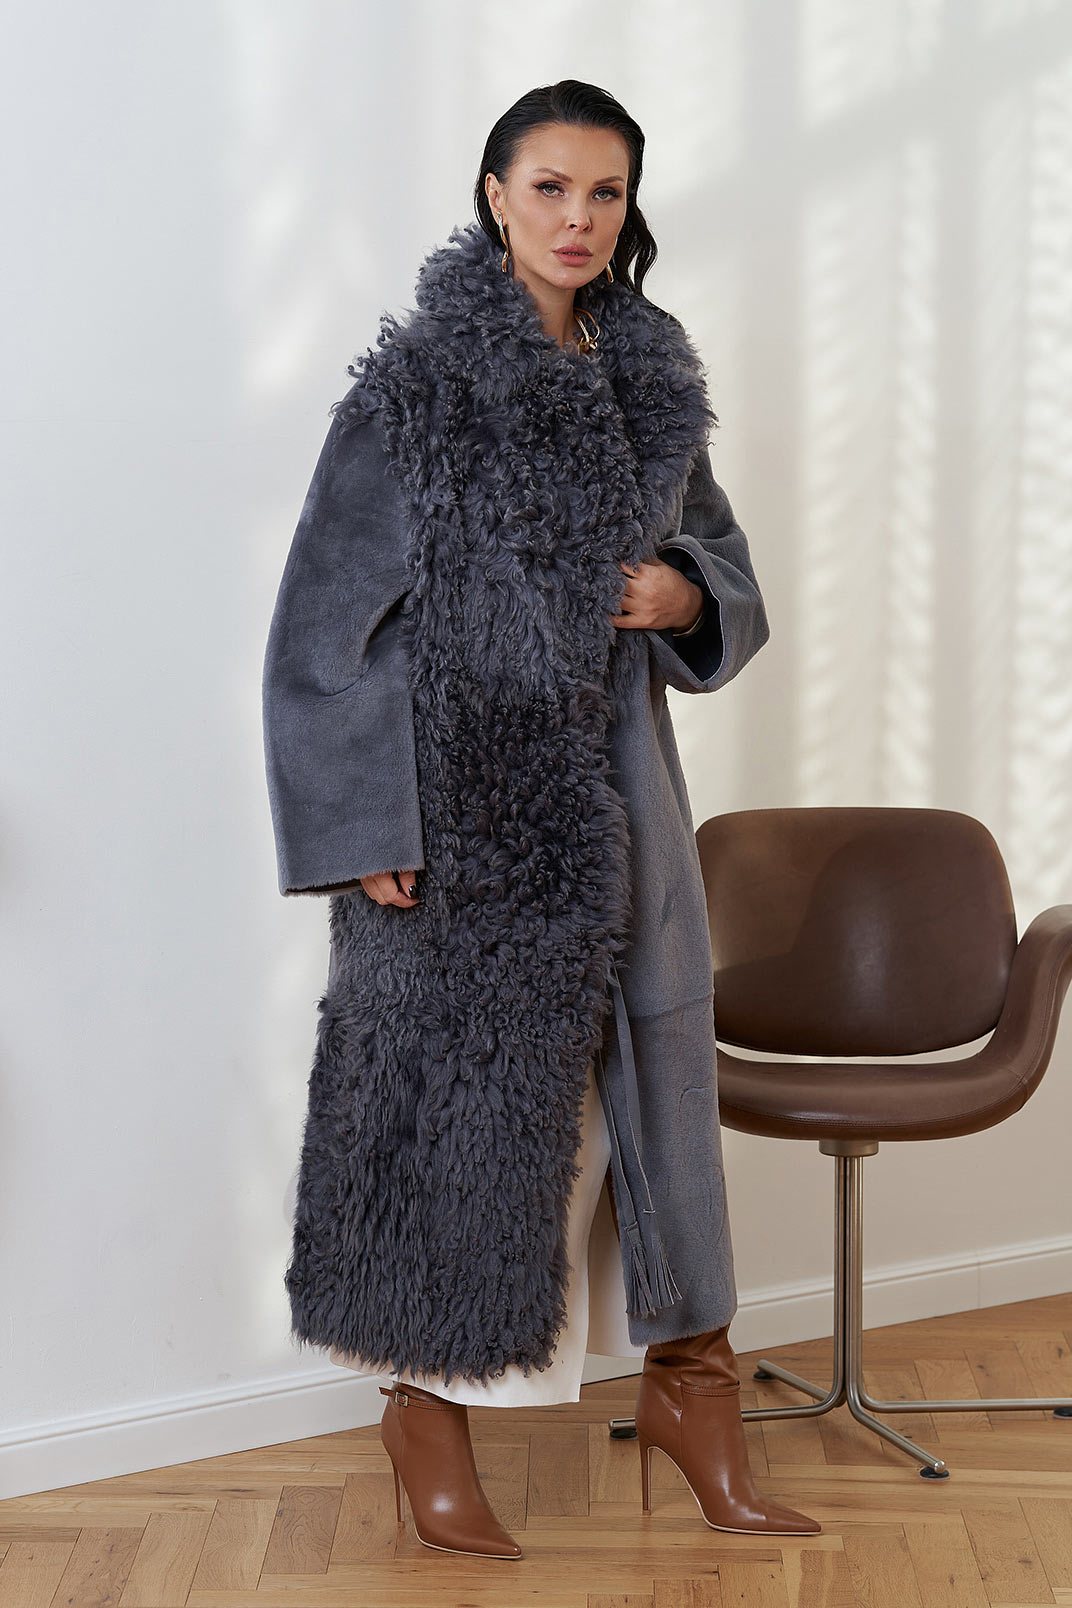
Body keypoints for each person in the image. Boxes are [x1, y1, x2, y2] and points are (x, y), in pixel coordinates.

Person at [262, 78, 820, 1561]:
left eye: (606, 193)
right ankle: (425, 1413)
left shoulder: (652, 384)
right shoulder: (417, 392)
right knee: (476, 1125)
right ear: (495, 194)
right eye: (551, 186)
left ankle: (698, 1399)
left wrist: (684, 593)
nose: (579, 218)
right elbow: (320, 637)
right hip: (464, 826)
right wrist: (367, 828)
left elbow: (726, 567)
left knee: (657, 1117)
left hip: (628, 805)